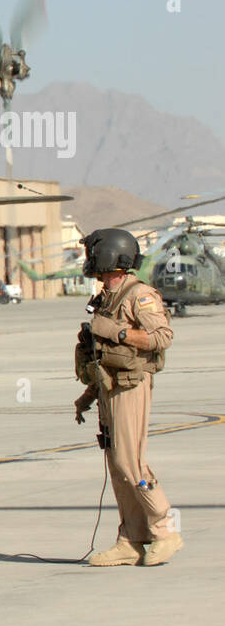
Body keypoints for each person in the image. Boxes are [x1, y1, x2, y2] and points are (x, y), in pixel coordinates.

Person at [73, 228, 180, 566]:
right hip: (110, 387)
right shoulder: (106, 296)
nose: (90, 261)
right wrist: (88, 395)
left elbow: (161, 337)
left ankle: (164, 531)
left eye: (93, 254)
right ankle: (132, 538)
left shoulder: (140, 295)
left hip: (131, 386)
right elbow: (101, 353)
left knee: (131, 463)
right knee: (117, 466)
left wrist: (118, 331)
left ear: (108, 255)